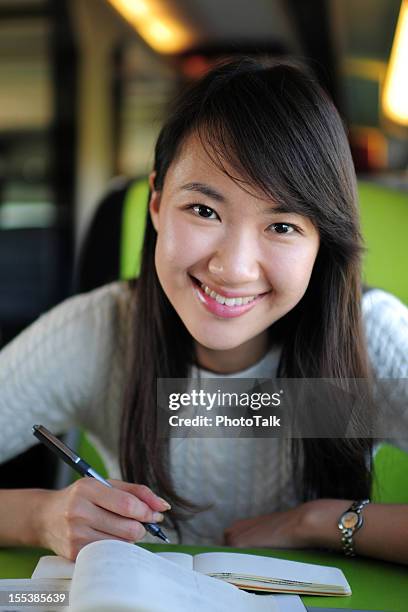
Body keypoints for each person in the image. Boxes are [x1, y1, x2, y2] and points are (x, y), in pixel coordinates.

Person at [0, 57, 407, 564]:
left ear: (322, 241)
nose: (233, 269)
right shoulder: (97, 331)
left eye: (281, 226)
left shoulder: (373, 340)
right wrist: (39, 516)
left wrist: (321, 521)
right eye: (204, 210)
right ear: (156, 202)